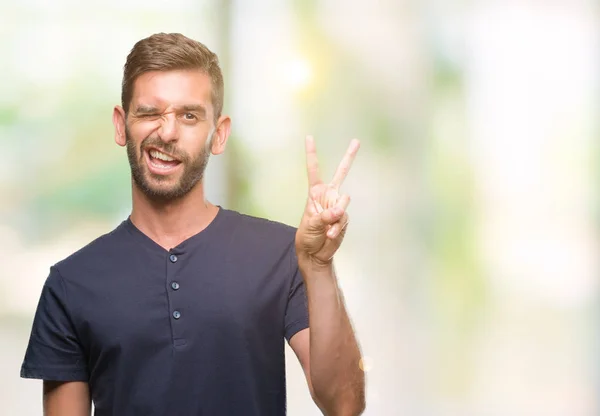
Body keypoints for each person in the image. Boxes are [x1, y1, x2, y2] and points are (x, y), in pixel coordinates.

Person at [20, 32, 365, 416]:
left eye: (189, 116)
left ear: (218, 135)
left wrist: (318, 267)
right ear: (121, 125)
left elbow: (345, 405)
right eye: (150, 111)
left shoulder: (282, 254)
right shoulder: (71, 284)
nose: (167, 132)